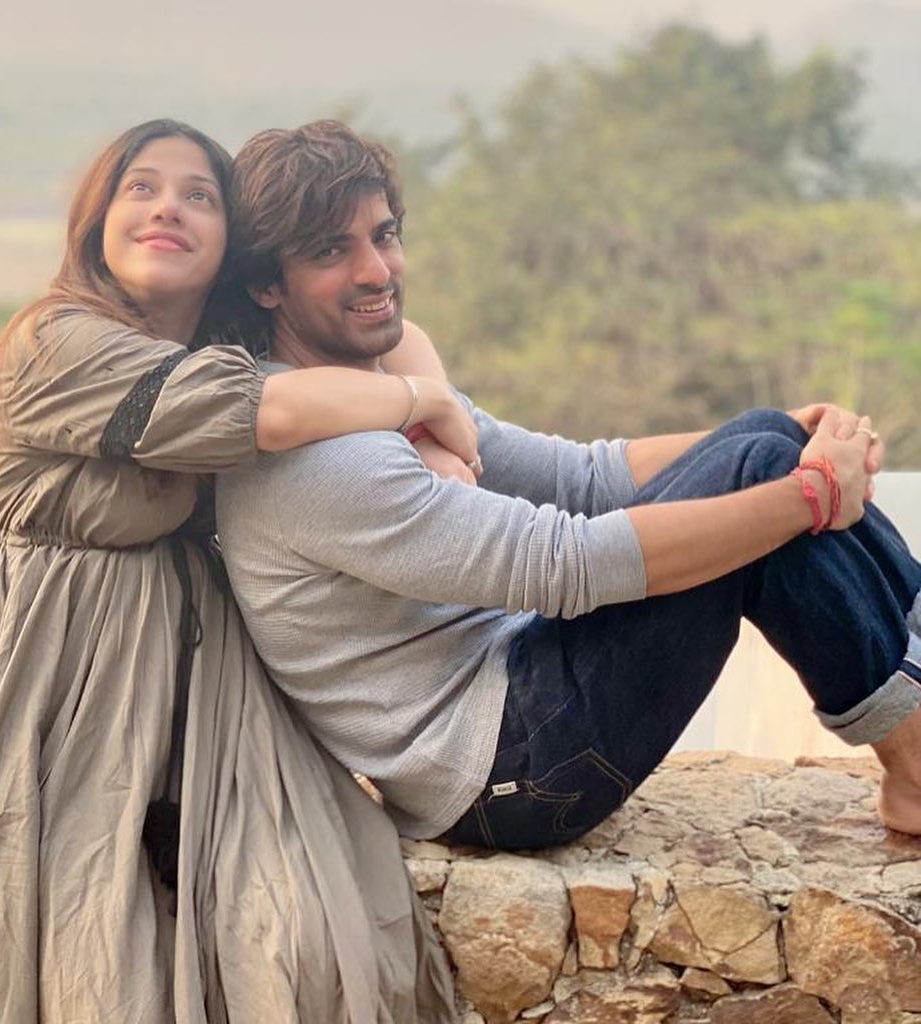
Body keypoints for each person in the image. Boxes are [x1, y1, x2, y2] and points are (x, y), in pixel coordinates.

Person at [217, 120, 921, 861]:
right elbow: (567, 565)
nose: (376, 271)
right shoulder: (318, 456)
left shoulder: (364, 389)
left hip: (521, 685)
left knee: (766, 442)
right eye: (332, 251)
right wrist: (810, 493)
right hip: (509, 772)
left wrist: (792, 433)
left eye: (384, 236)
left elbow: (578, 476)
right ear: (266, 284)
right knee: (765, 473)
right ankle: (914, 766)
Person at [0, 119, 467, 1022]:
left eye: (199, 196)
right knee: (67, 954)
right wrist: (424, 405)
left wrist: (431, 430)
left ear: (232, 245)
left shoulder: (222, 346)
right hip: (28, 687)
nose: (168, 208)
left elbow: (396, 329)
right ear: (97, 221)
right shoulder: (55, 342)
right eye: (142, 188)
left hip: (183, 702)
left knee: (286, 939)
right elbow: (264, 410)